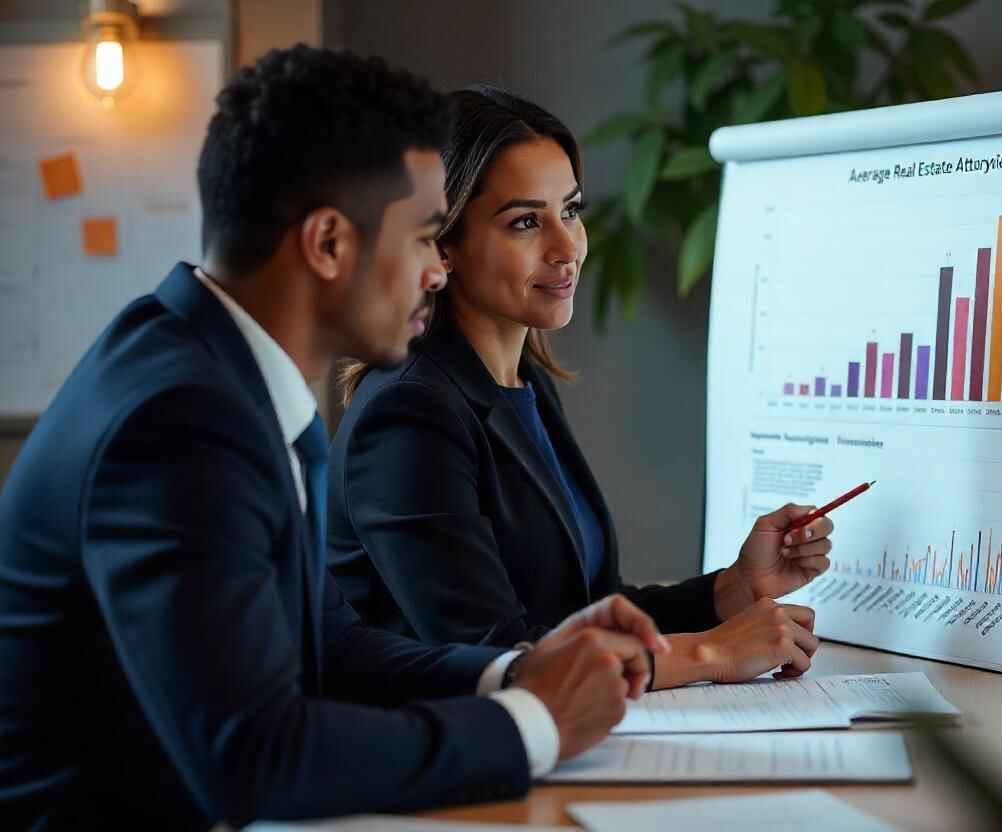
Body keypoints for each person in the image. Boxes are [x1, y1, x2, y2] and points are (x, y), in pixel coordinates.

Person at [0, 48, 670, 830]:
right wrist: (536, 725)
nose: (435, 271)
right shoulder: (181, 421)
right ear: (327, 244)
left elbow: (332, 644)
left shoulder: (218, 373)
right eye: (424, 236)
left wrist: (519, 670)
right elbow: (255, 759)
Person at [328, 86, 833, 690]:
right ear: (442, 245)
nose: (567, 248)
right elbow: (497, 657)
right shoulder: (408, 414)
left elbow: (581, 614)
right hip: (434, 763)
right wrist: (708, 654)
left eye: (569, 210)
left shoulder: (524, 385)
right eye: (525, 222)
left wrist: (731, 590)